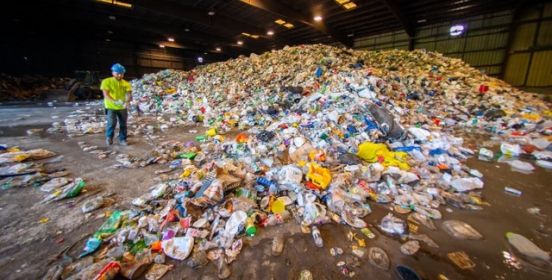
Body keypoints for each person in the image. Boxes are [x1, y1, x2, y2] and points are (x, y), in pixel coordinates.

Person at [101, 63, 132, 146]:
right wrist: (114, 101)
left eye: (121, 74)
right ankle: (109, 137)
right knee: (111, 123)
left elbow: (129, 94)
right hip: (111, 106)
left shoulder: (126, 83)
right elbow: (106, 94)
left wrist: (127, 102)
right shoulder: (106, 81)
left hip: (122, 107)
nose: (119, 75)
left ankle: (123, 139)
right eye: (117, 73)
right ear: (113, 73)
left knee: (123, 123)